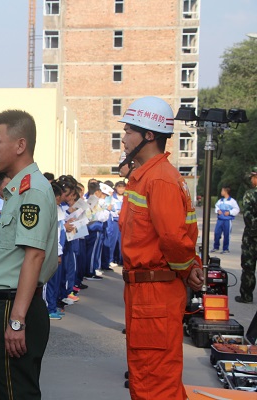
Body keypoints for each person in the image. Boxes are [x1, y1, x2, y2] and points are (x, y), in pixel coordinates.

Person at [0, 110, 59, 399]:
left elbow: (33, 256)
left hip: (12, 306)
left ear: (20, 145)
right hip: (4, 305)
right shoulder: (19, 190)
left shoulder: (32, 191)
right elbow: (11, 241)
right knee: (5, 389)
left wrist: (16, 321)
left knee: (12, 392)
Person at [118, 96, 203, 400]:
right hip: (146, 293)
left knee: (155, 383)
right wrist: (189, 266)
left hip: (155, 293)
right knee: (145, 377)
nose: (123, 138)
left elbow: (173, 238)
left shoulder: (159, 179)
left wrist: (188, 267)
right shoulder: (147, 177)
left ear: (149, 136)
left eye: (129, 131)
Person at [237, 171, 257, 304]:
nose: (251, 180)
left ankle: (247, 296)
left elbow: (248, 215)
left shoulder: (251, 194)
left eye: (253, 177)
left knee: (249, 266)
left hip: (252, 237)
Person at [212, 186, 240, 254]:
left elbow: (237, 209)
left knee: (227, 234)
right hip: (220, 219)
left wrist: (230, 212)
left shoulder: (232, 201)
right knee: (216, 233)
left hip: (227, 220)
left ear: (226, 191)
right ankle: (216, 247)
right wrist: (218, 210)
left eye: (222, 191)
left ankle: (225, 248)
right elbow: (216, 207)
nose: (221, 192)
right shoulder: (220, 201)